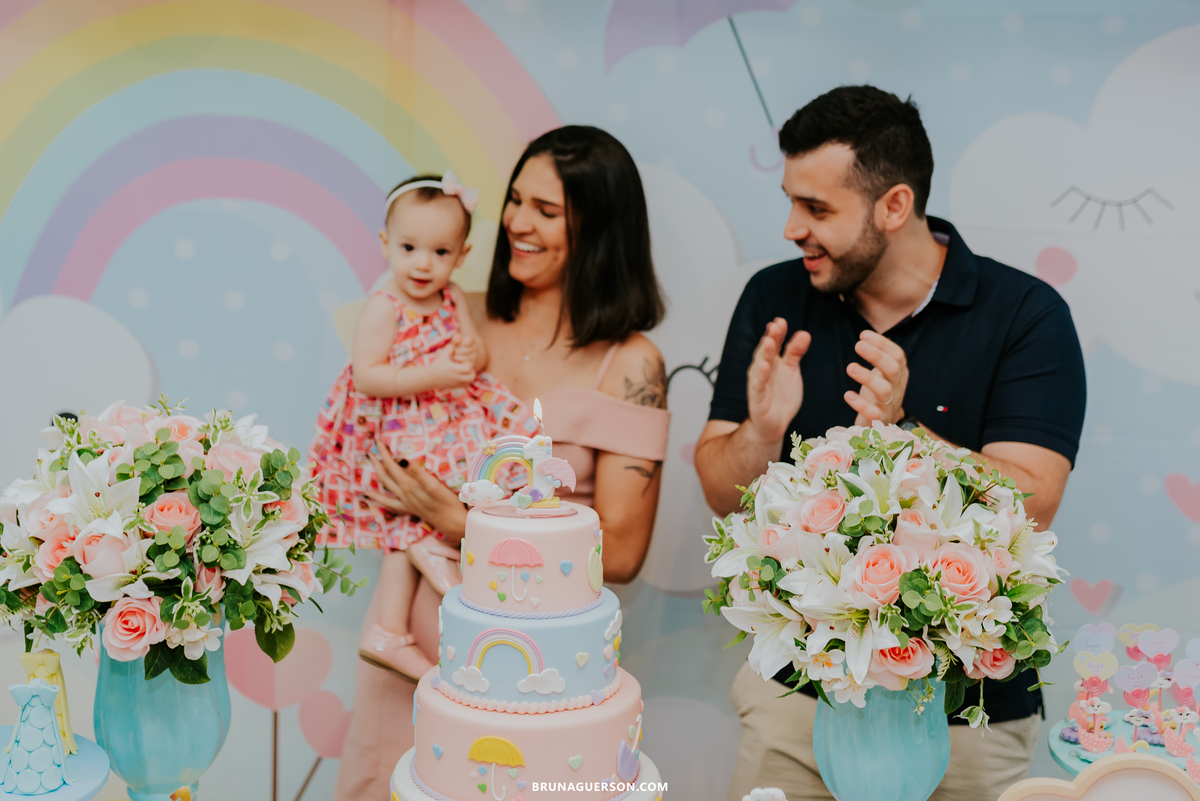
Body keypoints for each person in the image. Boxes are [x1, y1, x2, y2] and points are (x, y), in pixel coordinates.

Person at [695, 86, 1086, 801]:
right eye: (790, 200)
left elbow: (1035, 502)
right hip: (796, 704)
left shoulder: (1025, 314)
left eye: (817, 209)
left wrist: (906, 430)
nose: (791, 228)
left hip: (967, 716)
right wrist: (762, 432)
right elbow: (722, 491)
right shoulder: (773, 299)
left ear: (894, 206)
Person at [333, 126, 671, 801]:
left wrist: (460, 518)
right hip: (402, 645)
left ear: (600, 229)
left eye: (546, 211)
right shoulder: (456, 319)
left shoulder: (629, 365)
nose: (516, 221)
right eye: (516, 200)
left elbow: (624, 551)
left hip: (526, 671)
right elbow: (371, 423)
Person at [307, 173, 533, 682]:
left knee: (488, 465)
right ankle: (416, 572)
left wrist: (471, 353)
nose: (422, 264)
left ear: (461, 254)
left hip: (447, 417)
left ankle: (394, 619)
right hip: (397, 421)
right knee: (417, 489)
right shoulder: (385, 308)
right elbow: (368, 375)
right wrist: (432, 374)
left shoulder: (451, 297)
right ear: (386, 244)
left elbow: (472, 347)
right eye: (409, 248)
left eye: (439, 252)